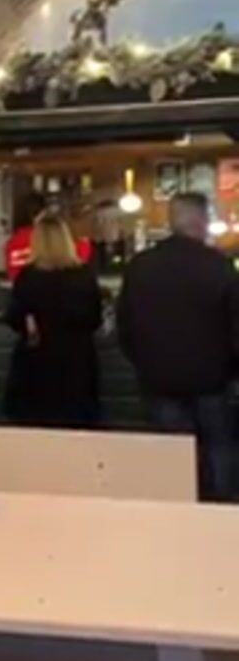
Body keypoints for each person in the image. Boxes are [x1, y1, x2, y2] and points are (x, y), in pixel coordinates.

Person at [117, 192, 239, 502]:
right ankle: (220, 510)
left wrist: (143, 362)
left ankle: (178, 509)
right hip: (211, 379)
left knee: (171, 454)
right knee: (219, 448)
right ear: (201, 220)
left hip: (159, 378)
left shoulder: (141, 266)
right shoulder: (219, 266)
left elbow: (124, 326)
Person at [5, 211, 102, 427]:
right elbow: (95, 319)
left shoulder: (28, 277)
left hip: (37, 361)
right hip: (77, 362)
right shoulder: (83, 276)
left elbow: (14, 318)